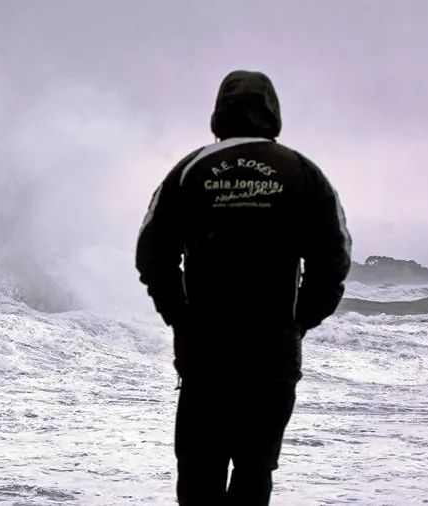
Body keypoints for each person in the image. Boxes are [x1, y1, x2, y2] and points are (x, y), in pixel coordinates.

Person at [134, 70, 352, 505]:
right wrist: (297, 322)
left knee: (199, 468)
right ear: (273, 113)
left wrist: (181, 318)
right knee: (255, 468)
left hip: (205, 351)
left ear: (218, 113)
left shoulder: (190, 170)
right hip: (272, 352)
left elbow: (152, 254)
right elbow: (333, 259)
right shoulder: (302, 172)